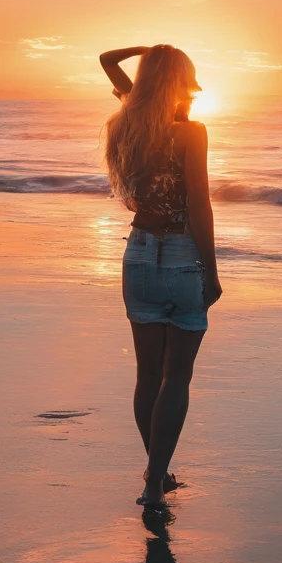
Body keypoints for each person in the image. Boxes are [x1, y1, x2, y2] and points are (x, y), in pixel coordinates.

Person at [101, 43, 222, 509]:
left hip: (138, 255)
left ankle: (158, 474)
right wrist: (211, 270)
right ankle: (154, 481)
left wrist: (147, 52)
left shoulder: (130, 123)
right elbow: (199, 205)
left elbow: (106, 61)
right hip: (182, 255)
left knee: (147, 374)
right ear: (183, 81)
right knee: (177, 378)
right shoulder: (191, 133)